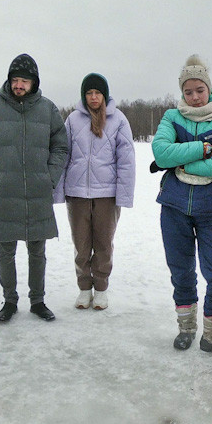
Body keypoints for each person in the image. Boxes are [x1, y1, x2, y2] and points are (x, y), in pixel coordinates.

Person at [151, 55, 212, 359]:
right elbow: (162, 154)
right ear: (182, 92)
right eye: (188, 91)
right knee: (182, 270)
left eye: (199, 89)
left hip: (210, 208)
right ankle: (186, 328)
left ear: (208, 88)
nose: (194, 96)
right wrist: (203, 150)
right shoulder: (171, 116)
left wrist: (182, 162)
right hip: (174, 206)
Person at [0, 54, 69, 322]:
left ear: (34, 82)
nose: (19, 85)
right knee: (6, 251)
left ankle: (38, 301)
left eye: (24, 80)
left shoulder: (48, 109)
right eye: (15, 80)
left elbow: (61, 145)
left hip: (38, 190)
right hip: (5, 191)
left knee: (37, 250)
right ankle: (9, 301)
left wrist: (50, 177)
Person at [54, 73, 136, 310]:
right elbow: (63, 155)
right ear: (84, 95)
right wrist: (59, 191)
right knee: (81, 245)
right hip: (77, 193)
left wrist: (124, 195)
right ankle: (83, 289)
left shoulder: (118, 120)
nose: (93, 97)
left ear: (104, 95)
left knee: (103, 244)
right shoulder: (72, 120)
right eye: (89, 93)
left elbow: (126, 160)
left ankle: (100, 289)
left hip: (106, 195)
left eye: (97, 93)